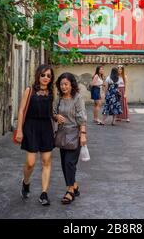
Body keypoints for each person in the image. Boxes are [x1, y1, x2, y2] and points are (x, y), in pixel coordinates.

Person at [16, 64, 55, 206]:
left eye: (49, 76)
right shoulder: (30, 90)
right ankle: (26, 183)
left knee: (46, 161)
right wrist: (19, 130)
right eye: (43, 75)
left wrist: (56, 117)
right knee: (31, 163)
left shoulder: (51, 93)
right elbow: (21, 111)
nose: (45, 78)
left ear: (51, 79)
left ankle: (44, 194)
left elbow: (50, 112)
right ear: (38, 75)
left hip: (46, 128)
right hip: (31, 127)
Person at [53, 72, 87, 204]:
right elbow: (53, 111)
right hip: (62, 134)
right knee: (64, 163)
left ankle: (70, 191)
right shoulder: (59, 98)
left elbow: (82, 117)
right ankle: (75, 186)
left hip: (75, 134)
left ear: (71, 85)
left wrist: (83, 134)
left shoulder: (77, 98)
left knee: (69, 163)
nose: (63, 87)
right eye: (61, 84)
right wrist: (56, 117)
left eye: (66, 84)